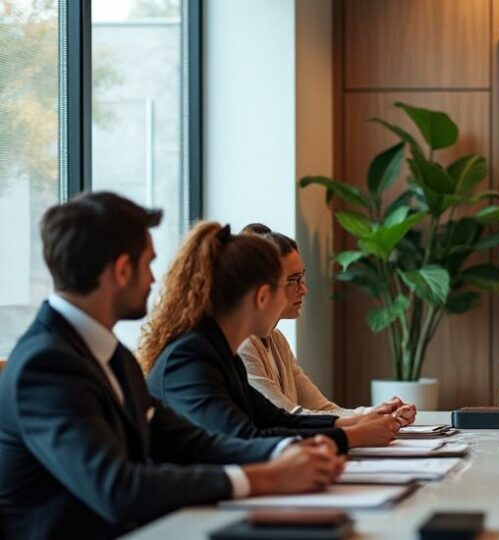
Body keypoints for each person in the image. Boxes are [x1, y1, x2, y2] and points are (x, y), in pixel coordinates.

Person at [0, 193, 343, 539]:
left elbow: (192, 443)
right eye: (148, 264)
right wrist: (267, 477)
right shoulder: (46, 366)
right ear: (122, 270)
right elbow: (118, 489)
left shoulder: (112, 356)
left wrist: (287, 451)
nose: (153, 280)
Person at [140, 221, 405, 453]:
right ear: (263, 296)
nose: (301, 291)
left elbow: (278, 419)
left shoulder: (219, 351)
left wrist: (357, 423)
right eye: (289, 283)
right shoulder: (191, 357)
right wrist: (352, 435)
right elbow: (242, 437)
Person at [237, 223, 417, 419]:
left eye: (302, 278)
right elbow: (287, 417)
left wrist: (376, 414)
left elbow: (324, 409)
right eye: (293, 280)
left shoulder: (277, 340)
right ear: (264, 286)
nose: (304, 289)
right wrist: (363, 426)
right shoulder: (243, 344)